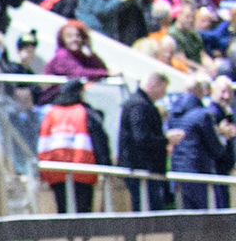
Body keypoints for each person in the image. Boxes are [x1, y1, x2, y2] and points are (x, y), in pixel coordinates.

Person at [37, 79, 110, 215]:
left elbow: (42, 143)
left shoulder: (51, 114)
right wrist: (106, 165)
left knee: (63, 211)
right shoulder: (85, 112)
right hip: (83, 170)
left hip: (56, 171)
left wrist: (42, 172)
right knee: (83, 213)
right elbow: (99, 141)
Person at [170, 75, 234, 211]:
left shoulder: (174, 113)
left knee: (186, 217)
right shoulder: (204, 115)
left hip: (178, 173)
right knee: (208, 218)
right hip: (200, 173)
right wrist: (224, 136)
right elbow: (216, 149)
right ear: (203, 91)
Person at [117, 71, 171, 212]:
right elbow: (141, 138)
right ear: (154, 85)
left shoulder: (139, 103)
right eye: (163, 89)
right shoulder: (139, 106)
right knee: (149, 209)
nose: (163, 94)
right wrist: (166, 140)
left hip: (142, 168)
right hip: (142, 168)